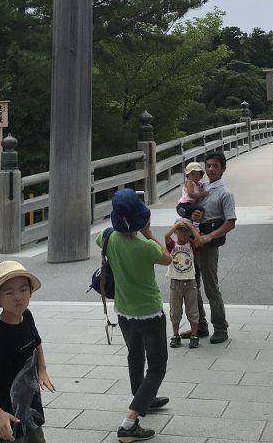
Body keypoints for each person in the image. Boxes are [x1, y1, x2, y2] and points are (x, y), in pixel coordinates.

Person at [99, 189, 172, 442]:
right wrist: (149, 233)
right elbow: (168, 259)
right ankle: (130, 422)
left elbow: (102, 242)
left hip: (124, 311)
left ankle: (143, 398)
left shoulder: (107, 237)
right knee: (157, 366)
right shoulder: (145, 247)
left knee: (134, 356)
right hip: (150, 312)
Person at [0, 260, 55, 443]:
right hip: (7, 422)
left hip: (31, 414)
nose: (18, 297)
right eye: (9, 292)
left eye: (23, 290)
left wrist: (42, 370)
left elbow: (37, 342)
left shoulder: (27, 316)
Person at [183, 152, 237, 345]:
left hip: (208, 243)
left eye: (215, 166)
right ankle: (200, 325)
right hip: (192, 240)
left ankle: (221, 328)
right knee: (191, 284)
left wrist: (209, 237)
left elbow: (230, 222)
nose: (211, 169)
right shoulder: (199, 187)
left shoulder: (225, 193)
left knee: (210, 286)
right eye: (208, 166)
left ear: (223, 168)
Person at [163, 218, 203, 349]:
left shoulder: (191, 245)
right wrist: (176, 225)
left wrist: (191, 227)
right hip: (175, 283)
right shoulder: (172, 245)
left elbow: (200, 240)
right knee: (175, 311)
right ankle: (175, 335)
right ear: (176, 232)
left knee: (193, 310)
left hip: (190, 283)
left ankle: (194, 335)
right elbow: (166, 235)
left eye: (185, 232)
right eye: (181, 231)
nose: (183, 234)